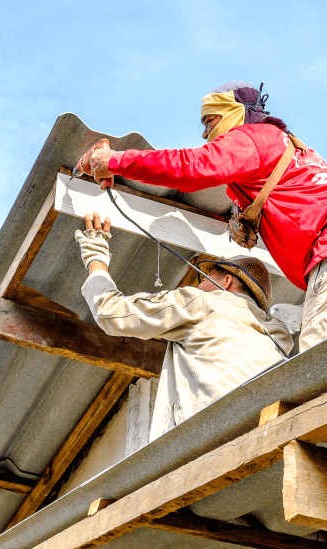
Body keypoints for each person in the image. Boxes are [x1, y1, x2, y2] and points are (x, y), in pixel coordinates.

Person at [86, 82, 327, 352]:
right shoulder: (285, 147)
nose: (204, 133)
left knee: (319, 371)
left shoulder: (251, 137)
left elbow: (192, 168)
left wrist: (115, 161)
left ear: (235, 112)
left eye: (209, 121)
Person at [76, 212, 292, 441]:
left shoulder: (205, 303)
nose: (199, 285)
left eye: (204, 278)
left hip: (210, 436)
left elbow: (111, 312)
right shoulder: (278, 338)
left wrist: (96, 257)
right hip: (270, 435)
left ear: (226, 282)